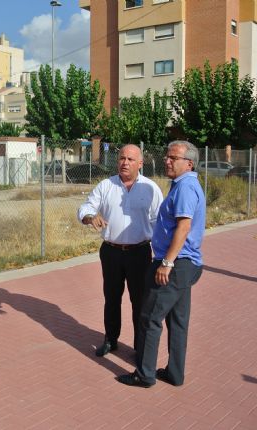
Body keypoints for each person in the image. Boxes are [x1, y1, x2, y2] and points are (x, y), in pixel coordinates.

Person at [117, 140, 205, 388]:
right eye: (167, 156)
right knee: (177, 322)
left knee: (149, 318)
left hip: (175, 265)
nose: (167, 160)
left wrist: (166, 262)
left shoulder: (186, 187)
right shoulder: (184, 184)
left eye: (173, 157)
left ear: (188, 163)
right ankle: (175, 373)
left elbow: (184, 226)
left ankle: (144, 374)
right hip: (185, 264)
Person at [78, 144, 163, 357]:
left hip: (140, 253)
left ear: (140, 164)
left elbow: (159, 221)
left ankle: (140, 346)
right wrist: (90, 217)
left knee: (139, 301)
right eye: (122, 158)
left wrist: (162, 256)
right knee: (112, 298)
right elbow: (86, 207)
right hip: (111, 252)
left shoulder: (150, 188)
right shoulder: (106, 185)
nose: (125, 163)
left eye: (130, 159)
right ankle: (111, 339)